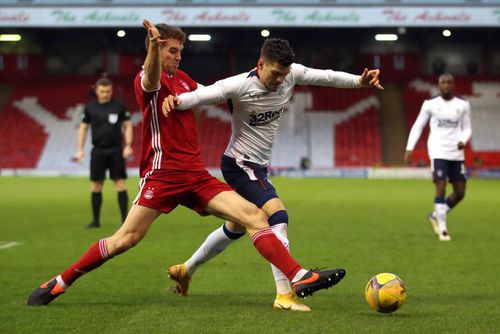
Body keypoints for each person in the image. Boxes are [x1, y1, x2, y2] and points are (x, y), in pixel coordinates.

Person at [27, 20, 345, 307]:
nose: (178, 56)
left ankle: (299, 275)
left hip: (195, 175)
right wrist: (153, 49)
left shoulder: (184, 80)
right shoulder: (145, 80)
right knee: (126, 239)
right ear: (156, 50)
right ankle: (60, 282)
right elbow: (151, 78)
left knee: (255, 215)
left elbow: (209, 94)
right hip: (163, 176)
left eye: (180, 51)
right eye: (172, 51)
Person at [162, 38, 383, 311]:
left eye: (284, 74)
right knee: (277, 215)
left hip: (258, 166)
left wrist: (359, 82)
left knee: (238, 226)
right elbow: (206, 94)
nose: (280, 80)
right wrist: (178, 100)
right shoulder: (240, 84)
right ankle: (285, 294)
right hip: (239, 164)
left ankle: (186, 269)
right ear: (260, 64)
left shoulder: (291, 75)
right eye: (274, 73)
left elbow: (326, 77)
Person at [404, 73, 471, 241]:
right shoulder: (430, 104)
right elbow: (418, 126)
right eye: (443, 82)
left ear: (453, 84)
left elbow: (467, 128)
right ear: (438, 85)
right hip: (438, 151)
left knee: (460, 192)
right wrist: (409, 148)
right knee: (440, 187)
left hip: (456, 154)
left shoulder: (463, 105)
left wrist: (463, 140)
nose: (446, 85)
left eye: (449, 82)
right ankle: (443, 229)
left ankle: (435, 215)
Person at [75, 76, 133, 228]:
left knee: (120, 183)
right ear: (97, 91)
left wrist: (128, 145)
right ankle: (95, 221)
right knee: (96, 185)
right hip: (98, 150)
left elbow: (127, 126)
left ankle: (124, 220)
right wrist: (80, 150)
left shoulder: (119, 106)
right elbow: (83, 128)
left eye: (108, 91)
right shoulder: (90, 108)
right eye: (102, 91)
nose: (105, 94)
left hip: (116, 150)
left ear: (111, 90)